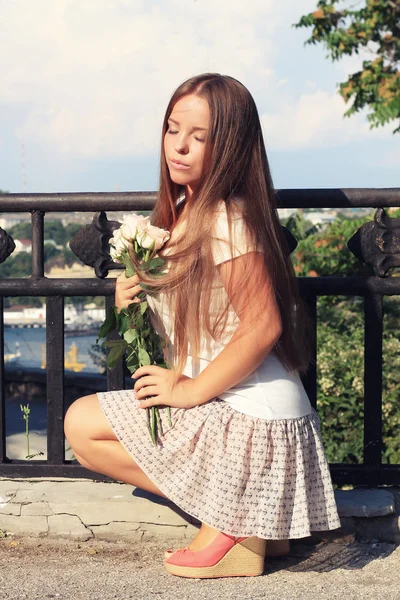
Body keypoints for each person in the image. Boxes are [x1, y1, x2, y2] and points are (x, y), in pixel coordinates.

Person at [64, 73, 341, 579]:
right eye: (173, 130)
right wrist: (133, 295)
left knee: (81, 423)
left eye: (200, 136)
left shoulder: (227, 218)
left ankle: (234, 521)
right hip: (235, 411)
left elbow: (263, 326)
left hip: (254, 417)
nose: (181, 146)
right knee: (83, 428)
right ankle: (249, 520)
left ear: (231, 147)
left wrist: (188, 390)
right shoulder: (190, 211)